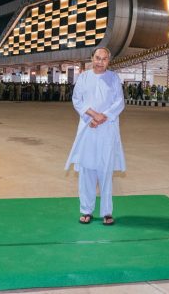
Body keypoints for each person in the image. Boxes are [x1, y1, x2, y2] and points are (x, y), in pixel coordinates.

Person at [65, 47, 126, 226]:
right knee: (87, 170)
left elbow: (119, 102)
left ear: (109, 60)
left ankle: (107, 212)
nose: (100, 62)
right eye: (97, 58)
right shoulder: (83, 77)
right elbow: (77, 100)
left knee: (105, 171)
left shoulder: (114, 78)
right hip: (87, 129)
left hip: (107, 128)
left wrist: (103, 117)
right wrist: (92, 116)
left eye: (104, 59)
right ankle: (86, 210)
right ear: (92, 58)